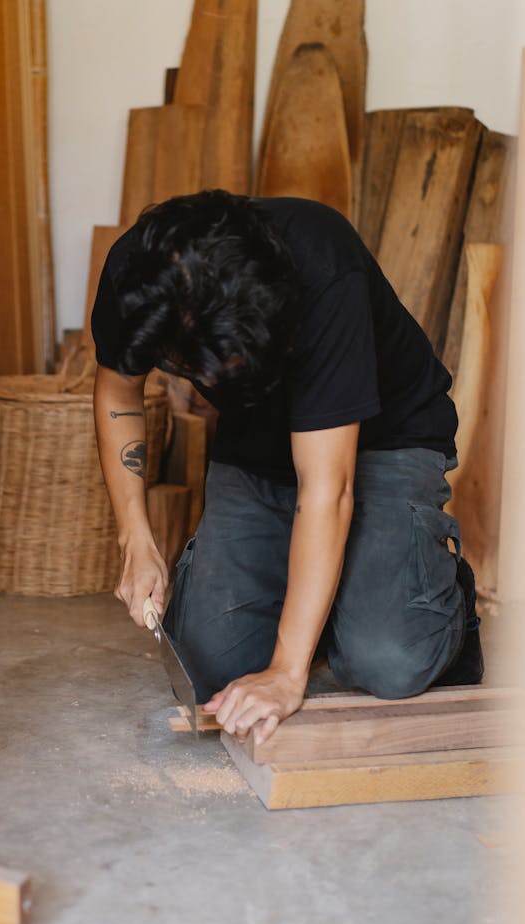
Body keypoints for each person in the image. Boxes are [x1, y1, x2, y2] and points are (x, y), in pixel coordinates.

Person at [91, 190, 483, 745]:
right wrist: (136, 540)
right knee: (208, 670)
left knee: (388, 662)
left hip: (383, 442)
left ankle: (439, 603)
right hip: (259, 446)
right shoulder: (137, 273)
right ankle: (334, 600)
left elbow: (329, 487)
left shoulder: (323, 268)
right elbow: (118, 387)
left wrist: (287, 672)